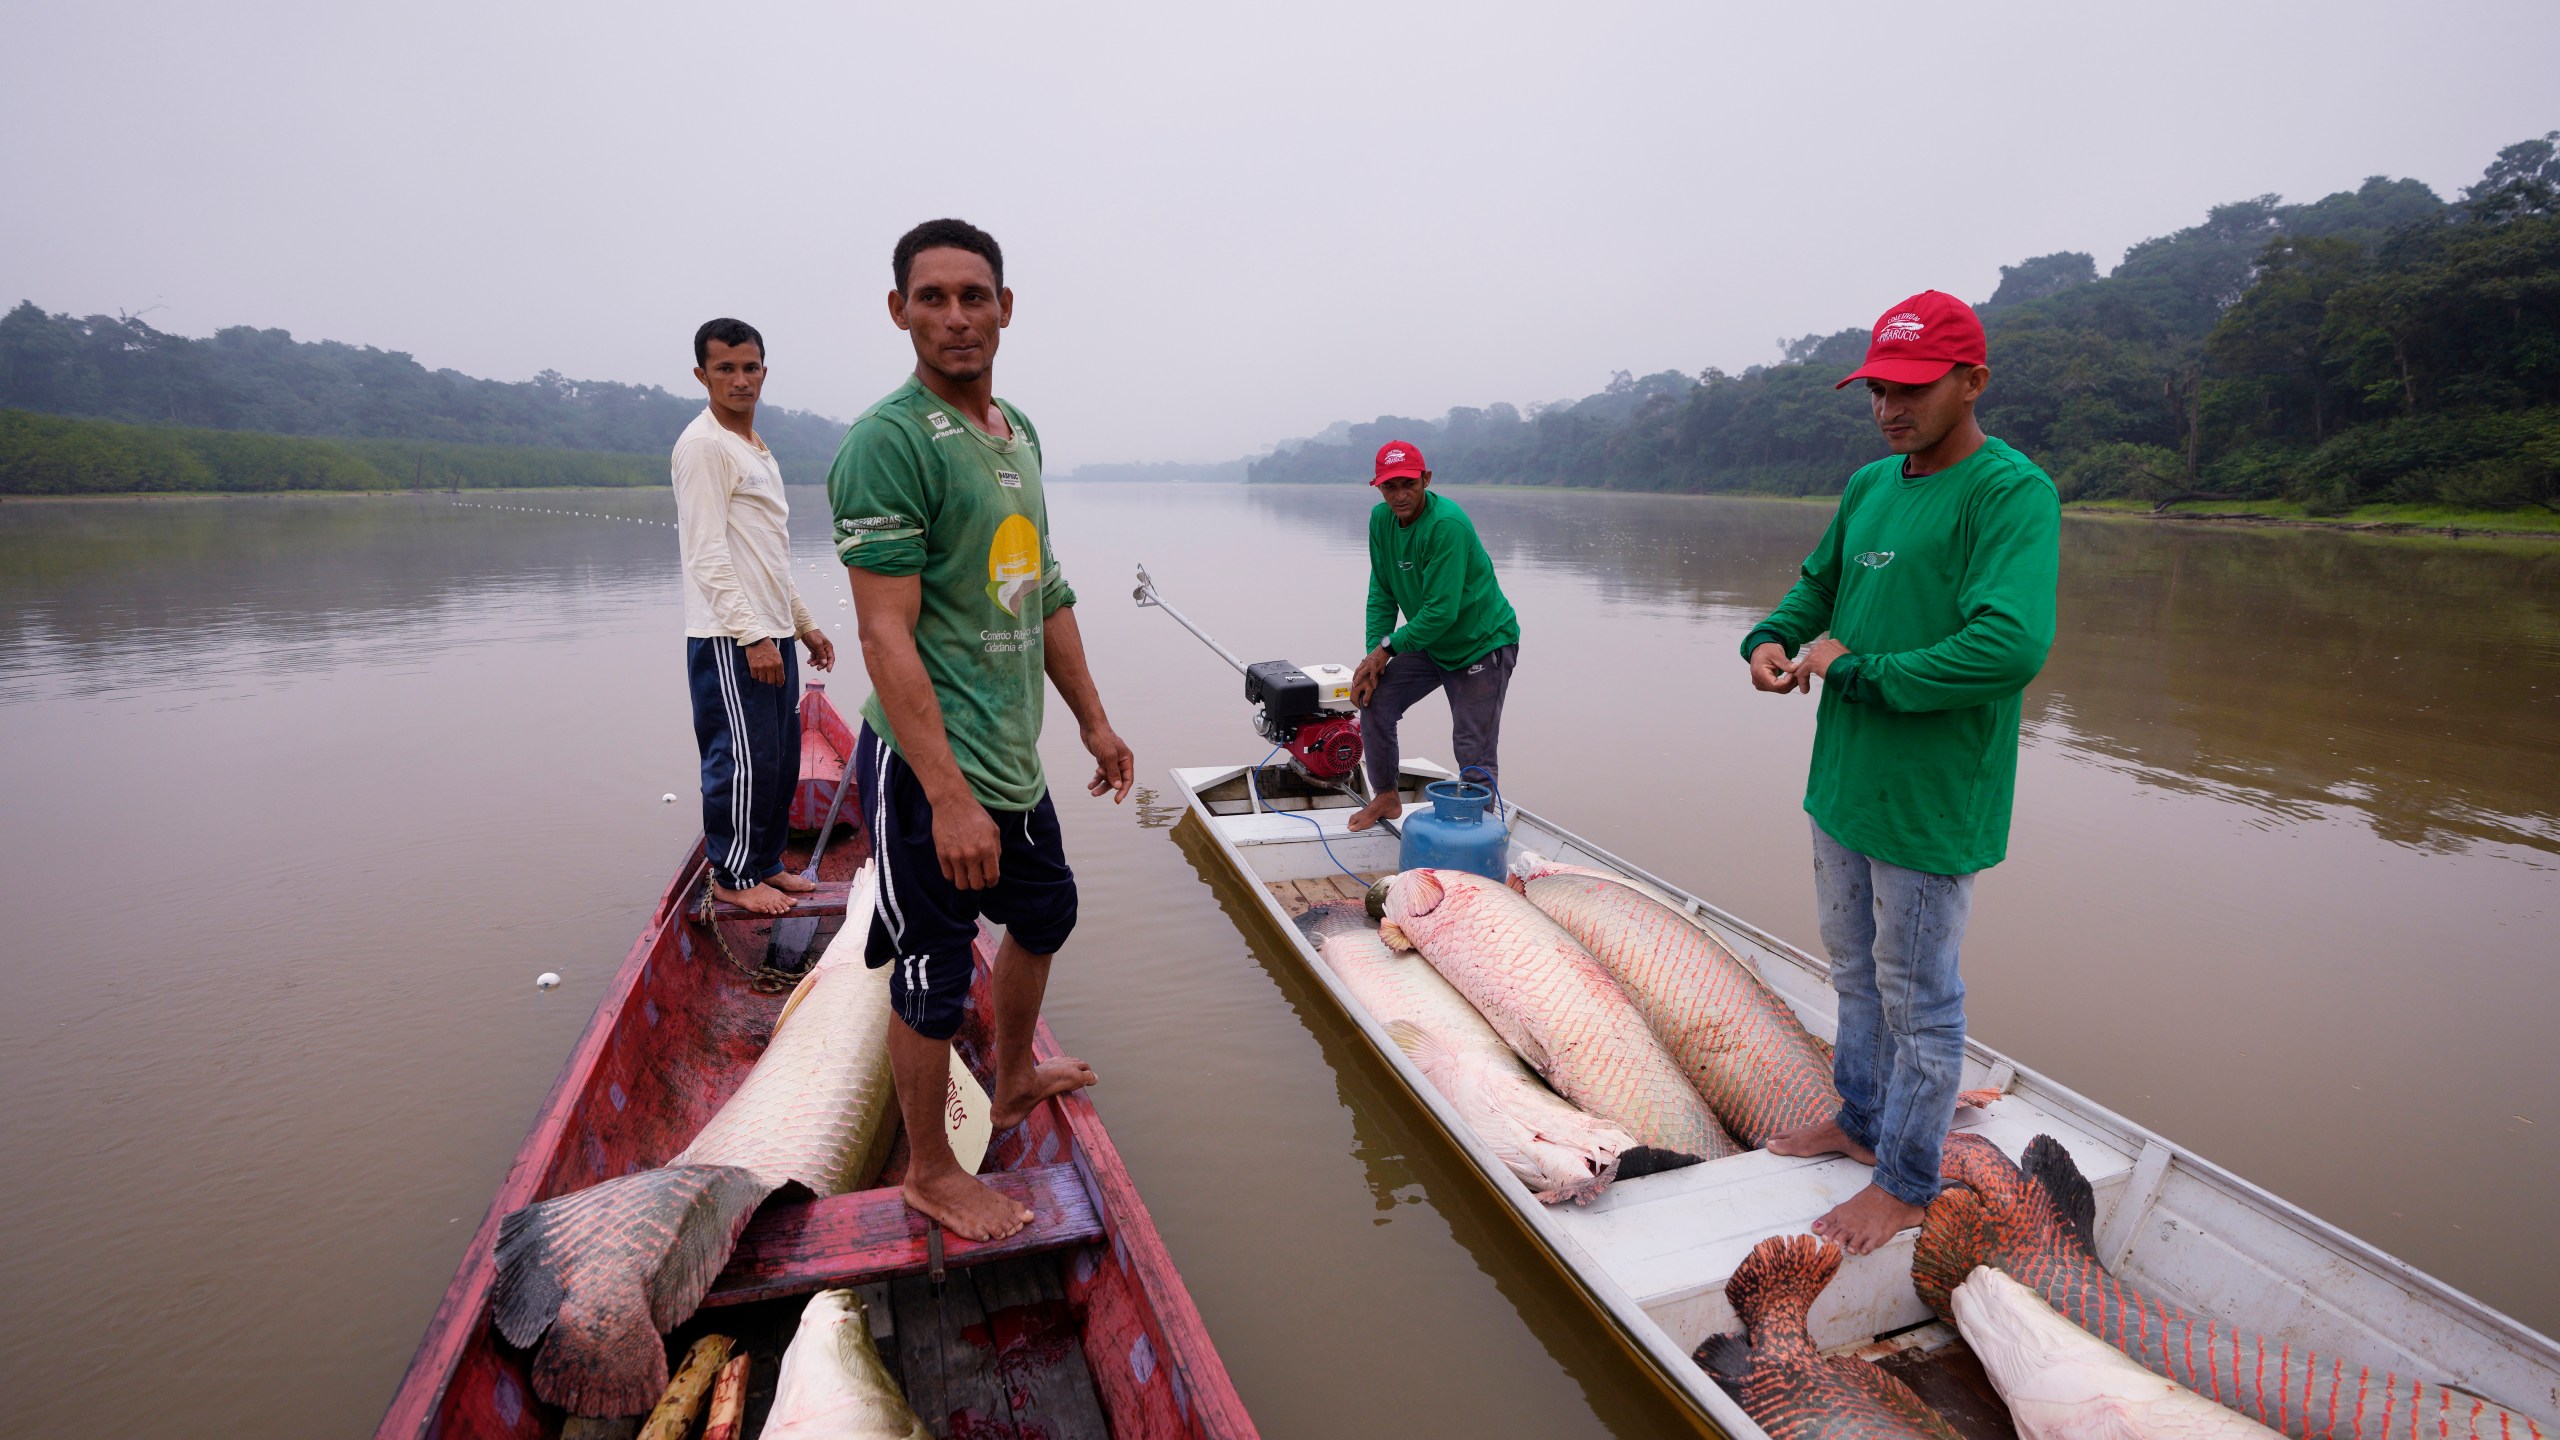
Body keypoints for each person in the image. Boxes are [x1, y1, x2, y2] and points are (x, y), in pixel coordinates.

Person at [830, 219, 1134, 1242]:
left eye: (974, 295)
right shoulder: (891, 443)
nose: (955, 316)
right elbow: (883, 634)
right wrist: (948, 795)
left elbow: (1040, 587)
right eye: (932, 298)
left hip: (1012, 756)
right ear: (898, 311)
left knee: (1045, 911)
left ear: (1005, 307)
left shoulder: (1017, 434)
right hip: (930, 768)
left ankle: (1006, 1083)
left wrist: (1093, 721)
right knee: (929, 969)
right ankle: (927, 1172)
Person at [1742, 290, 2059, 1255]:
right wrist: (1774, 635)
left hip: (1927, 802)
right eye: (1879, 387)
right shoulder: (1871, 484)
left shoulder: (2010, 493)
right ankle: (1860, 1116)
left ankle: (1909, 1181)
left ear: (1973, 381)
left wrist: (1859, 671)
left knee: (1919, 998)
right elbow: (1820, 584)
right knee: (1852, 971)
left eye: (1913, 387)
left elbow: (2008, 647)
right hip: (1842, 784)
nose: (1890, 406)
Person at [675, 317, 836, 918]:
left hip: (769, 633)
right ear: (703, 375)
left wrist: (802, 625)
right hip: (729, 637)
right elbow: (708, 556)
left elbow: (769, 555)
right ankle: (734, 875)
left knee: (779, 757)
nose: (740, 380)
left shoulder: (755, 448)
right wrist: (750, 636)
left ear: (764, 372)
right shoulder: (704, 447)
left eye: (749, 368)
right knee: (741, 759)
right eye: (725, 369)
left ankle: (766, 862)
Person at [1346, 440, 1522, 832]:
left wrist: (1388, 648)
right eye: (1389, 487)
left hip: (1481, 643)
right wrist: (1374, 654)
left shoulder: (1447, 525)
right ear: (1378, 488)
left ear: (1426, 479)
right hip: (1429, 641)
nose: (1399, 495)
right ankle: (1387, 796)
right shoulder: (1381, 521)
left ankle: (1481, 833)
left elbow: (1441, 612)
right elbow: (1382, 591)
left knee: (1472, 748)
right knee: (1374, 700)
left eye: (1408, 484)